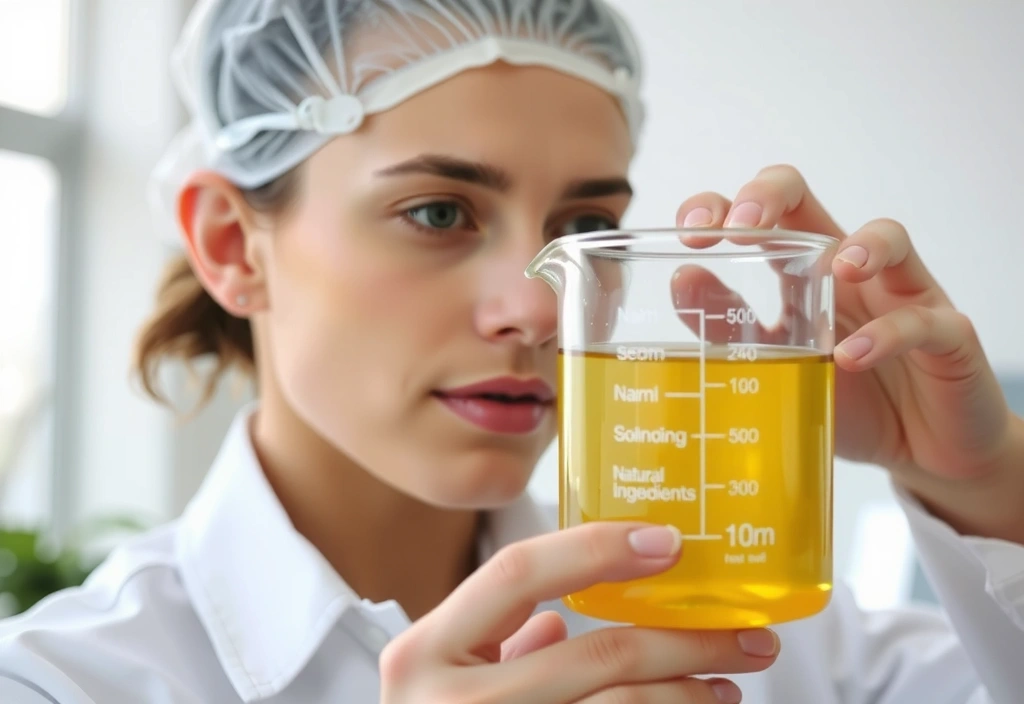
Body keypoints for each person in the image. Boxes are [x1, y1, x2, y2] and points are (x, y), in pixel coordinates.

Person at [2, 0, 1023, 702]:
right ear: (233, 245)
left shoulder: (762, 628)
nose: (536, 308)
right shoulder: (60, 682)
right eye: (438, 212)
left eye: (583, 227)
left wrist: (983, 486)